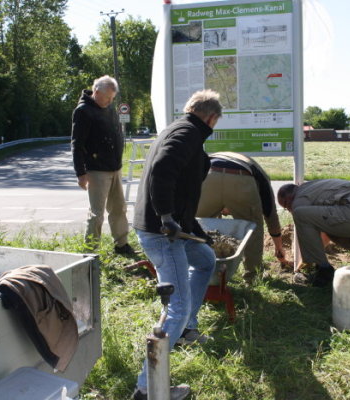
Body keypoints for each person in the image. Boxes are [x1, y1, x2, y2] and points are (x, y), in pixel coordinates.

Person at [131, 89, 223, 400]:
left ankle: (184, 330)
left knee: (206, 260)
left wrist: (196, 230)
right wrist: (166, 217)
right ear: (212, 118)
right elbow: (162, 170)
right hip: (163, 233)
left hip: (175, 229)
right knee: (178, 306)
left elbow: (182, 191)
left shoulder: (180, 129)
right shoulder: (187, 133)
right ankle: (147, 388)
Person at [196, 151, 290, 282]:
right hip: (241, 178)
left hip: (209, 175)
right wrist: (279, 247)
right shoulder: (260, 174)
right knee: (253, 228)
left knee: (197, 226)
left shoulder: (209, 158)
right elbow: (270, 212)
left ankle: (197, 271)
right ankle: (252, 276)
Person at [71, 75, 136, 255]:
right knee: (97, 214)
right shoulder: (83, 111)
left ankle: (121, 244)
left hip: (115, 167)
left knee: (119, 208)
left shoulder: (109, 108)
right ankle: (90, 252)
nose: (110, 101)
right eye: (107, 97)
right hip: (96, 170)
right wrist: (80, 173)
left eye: (112, 98)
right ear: (96, 91)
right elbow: (77, 144)